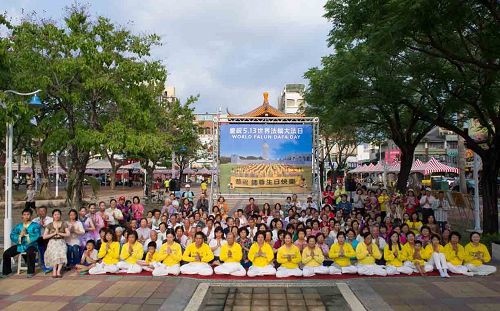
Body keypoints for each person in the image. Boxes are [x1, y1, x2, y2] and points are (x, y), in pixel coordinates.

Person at [2, 208, 41, 278]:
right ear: (22, 216)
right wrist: (20, 236)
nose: (26, 216)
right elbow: (12, 235)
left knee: (30, 252)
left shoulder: (36, 225)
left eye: (28, 214)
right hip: (21, 245)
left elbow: (37, 235)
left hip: (32, 245)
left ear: (31, 216)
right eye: (24, 214)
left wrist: (26, 235)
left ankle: (30, 272)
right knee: (6, 253)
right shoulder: (19, 226)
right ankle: (7, 272)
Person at [43, 209, 70, 278]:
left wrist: (59, 233)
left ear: (60, 215)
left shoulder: (64, 224)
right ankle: (54, 270)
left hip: (61, 241)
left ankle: (59, 271)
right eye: (55, 214)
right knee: (55, 255)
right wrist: (54, 233)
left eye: (58, 214)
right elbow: (44, 236)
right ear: (53, 216)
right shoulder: (50, 225)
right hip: (52, 242)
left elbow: (68, 234)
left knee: (61, 255)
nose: (57, 216)